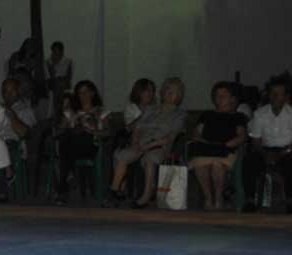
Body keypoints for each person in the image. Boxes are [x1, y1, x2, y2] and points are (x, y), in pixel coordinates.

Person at [108, 77, 187, 208]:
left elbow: (171, 137)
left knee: (150, 157)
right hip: (141, 144)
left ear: (178, 95)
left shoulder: (180, 114)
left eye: (173, 91)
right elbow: (137, 128)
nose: (168, 93)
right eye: (167, 89)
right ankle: (114, 191)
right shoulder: (150, 109)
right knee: (122, 154)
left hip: (160, 146)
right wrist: (135, 142)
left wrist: (149, 145)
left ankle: (146, 196)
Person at [188, 81, 247, 210]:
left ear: (231, 98)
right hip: (206, 148)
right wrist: (203, 141)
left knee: (217, 165)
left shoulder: (238, 116)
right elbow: (196, 133)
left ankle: (218, 197)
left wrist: (226, 145)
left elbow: (241, 136)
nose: (220, 98)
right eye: (217, 95)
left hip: (225, 149)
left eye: (223, 95)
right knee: (200, 164)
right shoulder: (207, 115)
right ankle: (208, 197)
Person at [53, 80, 110, 205]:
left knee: (73, 140)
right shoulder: (71, 111)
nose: (83, 96)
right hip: (72, 146)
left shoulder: (100, 111)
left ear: (93, 93)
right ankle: (63, 191)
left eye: (86, 92)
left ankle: (63, 190)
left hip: (91, 145)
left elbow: (107, 132)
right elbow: (58, 132)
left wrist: (92, 130)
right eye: (80, 93)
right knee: (67, 141)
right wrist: (69, 120)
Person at [243, 78, 292, 213]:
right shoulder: (260, 114)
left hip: (287, 151)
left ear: (287, 96)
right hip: (265, 150)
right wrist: (266, 155)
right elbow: (256, 141)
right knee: (249, 160)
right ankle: (250, 200)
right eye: (272, 93)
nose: (275, 96)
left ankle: (290, 201)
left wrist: (283, 153)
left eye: (279, 93)